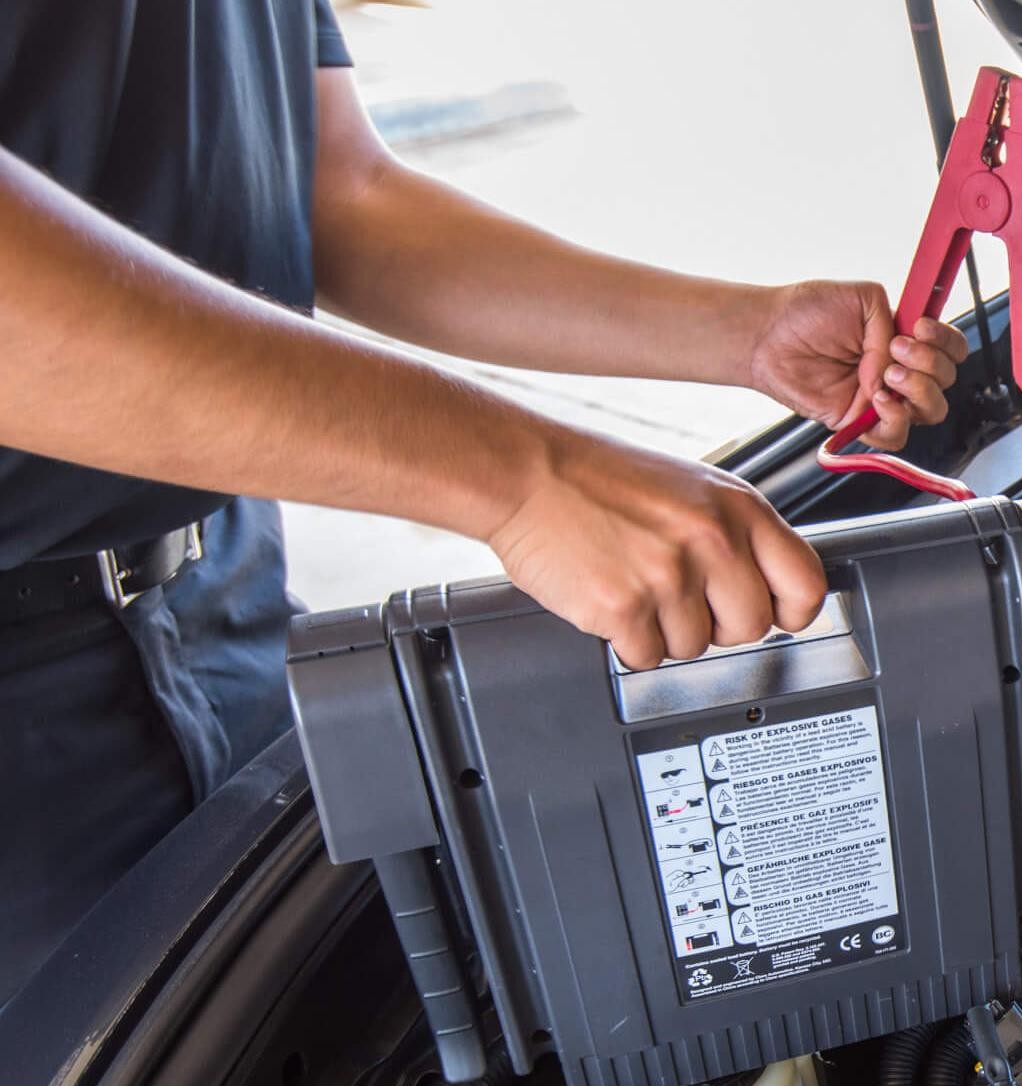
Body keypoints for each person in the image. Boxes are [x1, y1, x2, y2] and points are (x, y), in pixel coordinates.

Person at [0, 1, 971, 989]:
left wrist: (744, 335)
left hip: (221, 593)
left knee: (335, 1036)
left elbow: (341, 192)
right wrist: (524, 480)